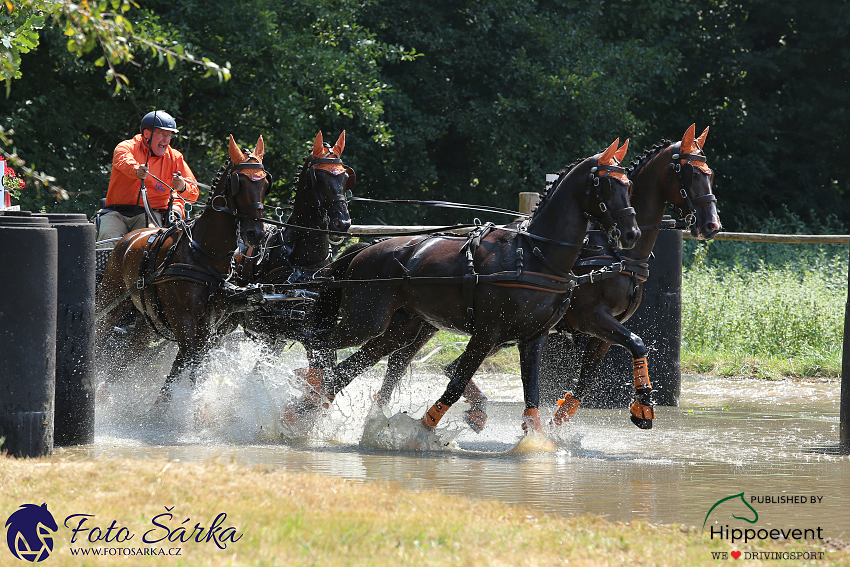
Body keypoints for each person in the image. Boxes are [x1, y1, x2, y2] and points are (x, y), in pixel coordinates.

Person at [96, 110, 199, 247]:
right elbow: (124, 161)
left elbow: (193, 194)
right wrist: (137, 170)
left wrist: (182, 187)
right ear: (146, 134)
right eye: (162, 134)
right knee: (107, 238)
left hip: (150, 213)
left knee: (150, 241)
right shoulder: (126, 147)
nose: (166, 140)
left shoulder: (175, 157)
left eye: (169, 136)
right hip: (116, 212)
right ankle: (103, 269)